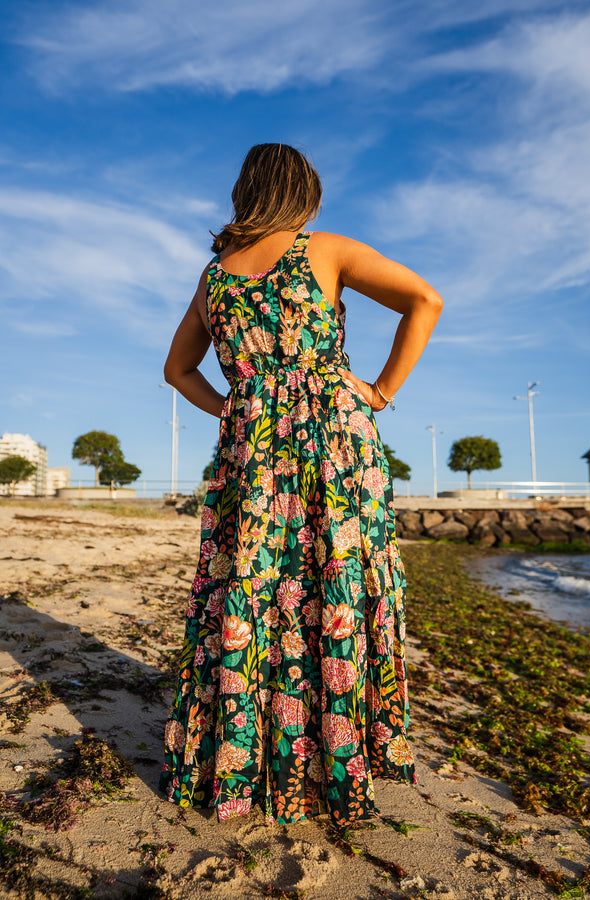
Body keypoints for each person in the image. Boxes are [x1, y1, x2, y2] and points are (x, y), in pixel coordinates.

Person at [158, 143, 443, 826]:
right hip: (335, 449)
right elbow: (425, 301)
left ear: (245, 192)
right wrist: (380, 392)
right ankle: (336, 760)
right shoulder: (326, 249)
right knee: (333, 582)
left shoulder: (214, 279)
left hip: (251, 455)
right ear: (302, 193)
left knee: (252, 586)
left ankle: (243, 764)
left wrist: (237, 407)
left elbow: (177, 371)